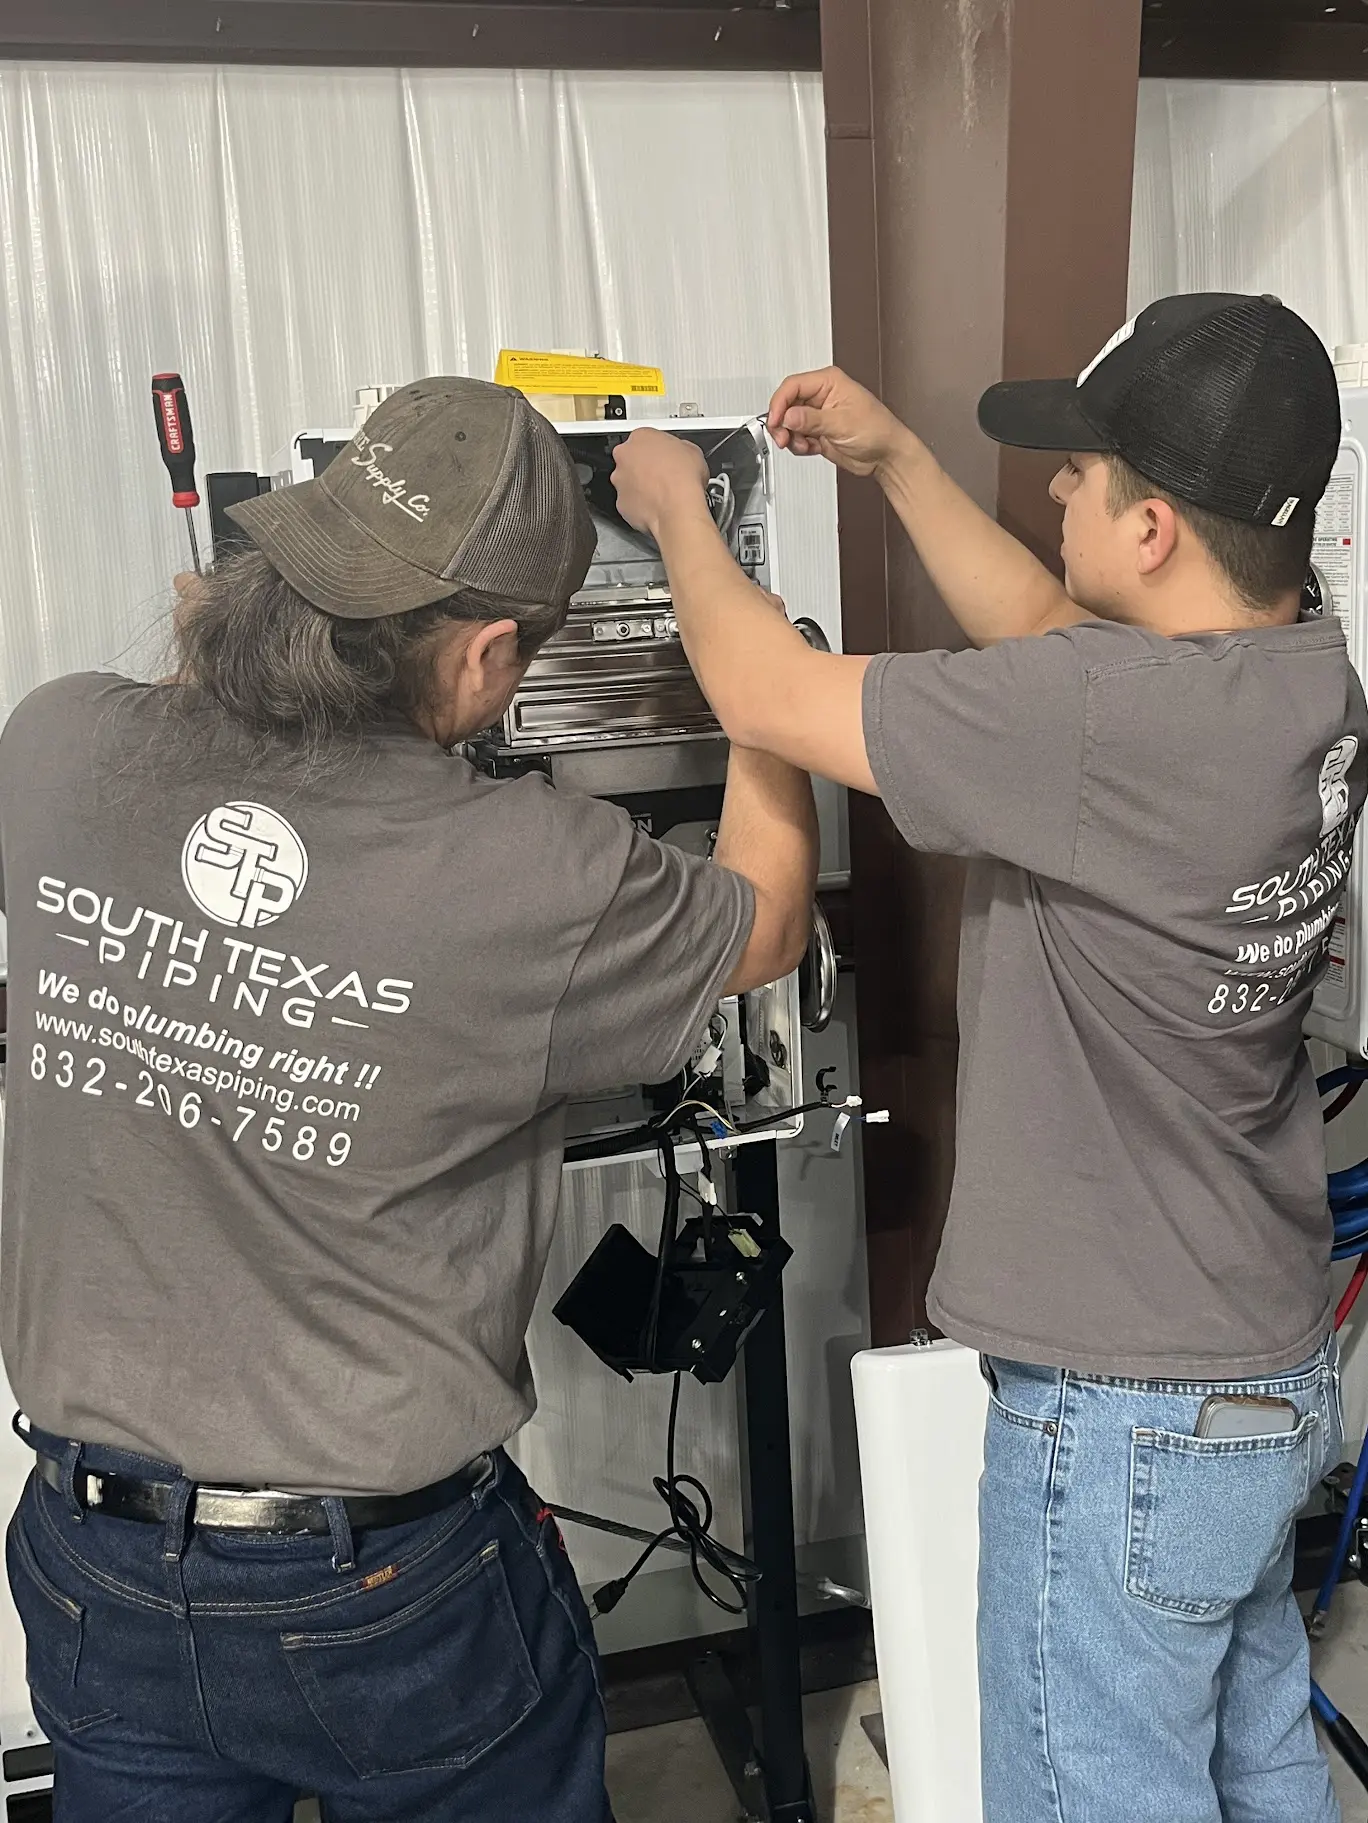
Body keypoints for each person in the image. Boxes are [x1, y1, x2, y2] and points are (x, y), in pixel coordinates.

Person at [0, 375, 818, 1823]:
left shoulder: (57, 744)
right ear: (489, 649)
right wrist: (767, 678)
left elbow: (214, 773)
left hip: (92, 1561)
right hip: (377, 1585)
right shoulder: (528, 873)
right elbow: (761, 921)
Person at [611, 292, 1366, 1823]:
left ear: (1152, 528)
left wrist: (680, 506)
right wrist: (892, 457)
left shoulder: (1107, 722)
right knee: (1258, 1757)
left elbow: (762, 692)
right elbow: (1040, 622)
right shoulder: (1300, 672)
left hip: (1121, 1407)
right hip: (1264, 1361)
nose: (1058, 494)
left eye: (1080, 478)